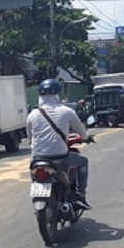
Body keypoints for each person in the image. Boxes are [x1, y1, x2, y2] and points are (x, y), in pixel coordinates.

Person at [26, 79, 92, 207]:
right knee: (83, 161)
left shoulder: (32, 115)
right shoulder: (67, 111)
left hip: (37, 159)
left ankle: (36, 192)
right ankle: (80, 194)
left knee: (33, 171)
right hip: (60, 159)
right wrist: (85, 137)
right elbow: (81, 130)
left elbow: (30, 137)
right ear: (58, 94)